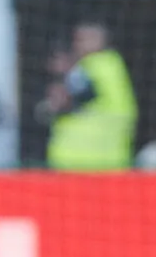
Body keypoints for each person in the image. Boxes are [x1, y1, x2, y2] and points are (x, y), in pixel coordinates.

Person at [41, 22, 138, 171]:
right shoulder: (112, 65)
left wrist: (50, 105)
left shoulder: (92, 66)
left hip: (83, 163)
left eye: (82, 39)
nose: (77, 45)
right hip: (110, 160)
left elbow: (66, 99)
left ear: (99, 39)